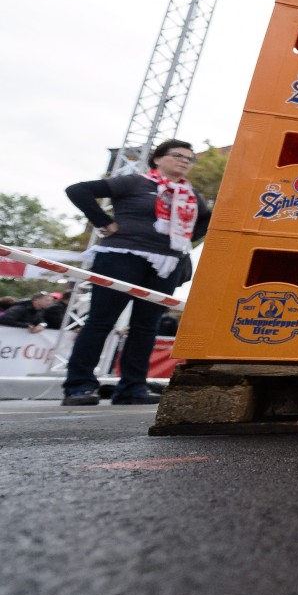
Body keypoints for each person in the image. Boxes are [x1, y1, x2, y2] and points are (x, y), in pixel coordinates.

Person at [62, 140, 211, 406]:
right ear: (158, 159)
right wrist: (104, 223)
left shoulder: (191, 195)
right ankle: (79, 385)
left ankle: (132, 387)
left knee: (146, 326)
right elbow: (78, 190)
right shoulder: (135, 182)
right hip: (122, 256)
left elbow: (207, 219)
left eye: (189, 158)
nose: (185, 161)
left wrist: (187, 240)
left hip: (167, 263)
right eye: (178, 155)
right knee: (101, 321)